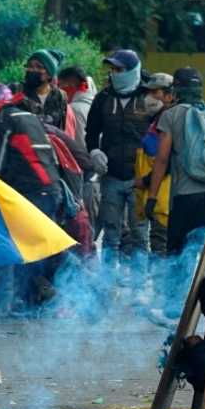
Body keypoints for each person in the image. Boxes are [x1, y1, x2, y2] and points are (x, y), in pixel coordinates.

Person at [0, 83, 63, 309]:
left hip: (30, 193)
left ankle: (13, 303)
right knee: (37, 249)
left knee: (18, 249)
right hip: (51, 189)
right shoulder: (28, 116)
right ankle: (36, 302)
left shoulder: (2, 121)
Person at [147, 67, 205, 255]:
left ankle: (178, 286)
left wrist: (152, 197)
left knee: (177, 255)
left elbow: (162, 160)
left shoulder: (171, 115)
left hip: (187, 195)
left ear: (176, 88)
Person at [85, 49, 153, 267]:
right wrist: (94, 151)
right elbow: (91, 132)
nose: (114, 73)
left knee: (140, 233)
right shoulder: (103, 98)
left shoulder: (149, 96)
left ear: (133, 71)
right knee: (110, 233)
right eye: (112, 69)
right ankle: (108, 284)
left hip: (140, 178)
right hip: (111, 176)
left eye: (120, 69)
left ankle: (139, 285)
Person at [135, 72, 175, 257]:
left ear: (169, 95)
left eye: (155, 92)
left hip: (164, 197)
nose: (150, 97)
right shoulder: (155, 120)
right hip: (156, 195)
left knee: (161, 248)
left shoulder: (170, 119)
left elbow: (165, 160)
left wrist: (146, 180)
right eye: (148, 92)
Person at [58, 65, 101, 233]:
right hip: (99, 179)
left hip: (84, 180)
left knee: (84, 235)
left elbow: (78, 148)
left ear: (69, 86)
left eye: (61, 86)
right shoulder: (96, 104)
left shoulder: (74, 109)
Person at [23, 48, 69, 129]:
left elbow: (61, 127)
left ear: (49, 74)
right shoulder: (17, 90)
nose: (33, 70)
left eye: (39, 67)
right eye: (30, 66)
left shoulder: (60, 96)